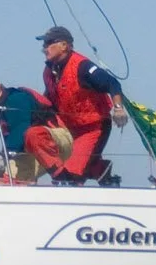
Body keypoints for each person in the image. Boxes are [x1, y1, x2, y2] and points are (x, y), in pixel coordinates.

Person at [39, 26, 126, 185]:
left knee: (70, 174)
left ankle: (94, 170)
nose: (44, 48)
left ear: (64, 45)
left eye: (48, 43)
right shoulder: (49, 71)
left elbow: (112, 83)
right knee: (56, 166)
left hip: (94, 127)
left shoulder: (83, 67)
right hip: (69, 128)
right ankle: (100, 169)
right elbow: (49, 97)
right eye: (44, 44)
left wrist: (118, 109)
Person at [0, 80, 55, 181]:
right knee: (1, 176)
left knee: (9, 177)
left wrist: (2, 158)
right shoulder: (1, 113)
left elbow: (21, 131)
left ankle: (62, 177)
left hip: (50, 141)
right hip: (31, 148)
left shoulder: (16, 100)